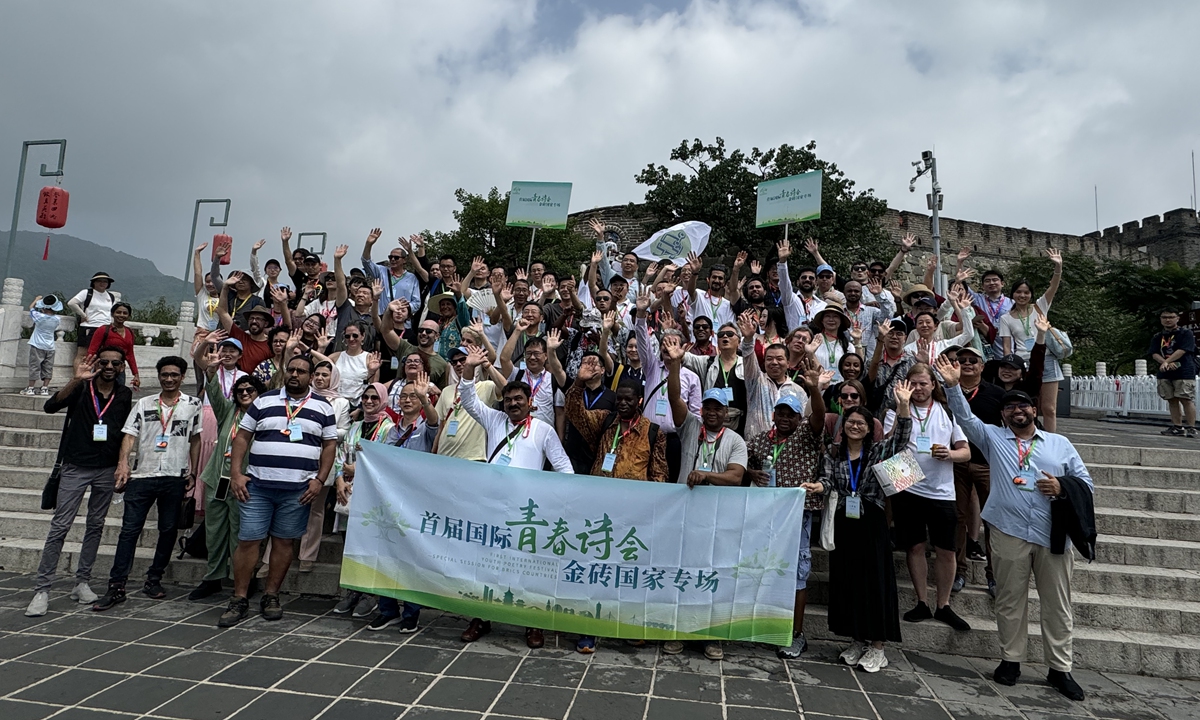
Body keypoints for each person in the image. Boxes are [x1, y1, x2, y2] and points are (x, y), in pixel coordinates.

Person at [936, 355, 1092, 701]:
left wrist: (1062, 487)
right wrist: (952, 386)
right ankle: (1011, 660)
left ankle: (1059, 667)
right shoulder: (993, 438)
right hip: (1009, 532)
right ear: (1003, 415)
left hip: (1053, 534)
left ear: (1033, 410)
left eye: (1022, 405)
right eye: (1009, 408)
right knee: (1009, 601)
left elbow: (1086, 483)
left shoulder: (1058, 444)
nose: (1016, 411)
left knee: (1057, 604)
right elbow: (964, 418)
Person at [456, 345, 572, 649]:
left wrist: (559, 500)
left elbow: (563, 467)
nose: (512, 404)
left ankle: (532, 623)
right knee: (486, 564)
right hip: (492, 508)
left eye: (519, 399)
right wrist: (469, 367)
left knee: (528, 568)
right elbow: (468, 400)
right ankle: (481, 617)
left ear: (530, 402)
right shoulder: (494, 420)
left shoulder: (543, 430)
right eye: (508, 400)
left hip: (527, 513)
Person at [221, 354, 339, 627]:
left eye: (301, 371)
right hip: (257, 486)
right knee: (249, 541)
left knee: (284, 542)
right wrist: (236, 474)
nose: (295, 374)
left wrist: (320, 480)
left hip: (297, 490)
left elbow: (330, 445)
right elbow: (242, 437)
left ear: (311, 377)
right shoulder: (264, 400)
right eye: (292, 370)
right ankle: (239, 598)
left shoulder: (323, 407)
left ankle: (271, 595)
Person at [806, 380, 915, 673]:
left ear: (869, 427)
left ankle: (878, 646)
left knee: (874, 583)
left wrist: (903, 405)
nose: (854, 427)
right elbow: (827, 478)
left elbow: (901, 439)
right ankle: (856, 640)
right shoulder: (834, 452)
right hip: (844, 520)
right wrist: (818, 485)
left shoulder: (878, 451)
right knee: (848, 581)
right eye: (850, 422)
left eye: (860, 423)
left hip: (872, 521)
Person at [25, 349, 134, 617]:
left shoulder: (124, 395)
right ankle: (43, 588)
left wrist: (123, 463)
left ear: (121, 367)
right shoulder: (82, 388)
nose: (109, 366)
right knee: (60, 525)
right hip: (76, 466)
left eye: (115, 363)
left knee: (96, 525)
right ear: (97, 363)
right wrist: (75, 379)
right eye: (104, 362)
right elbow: (50, 406)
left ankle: (82, 581)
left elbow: (125, 432)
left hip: (106, 468)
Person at [94, 356, 203, 611]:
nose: (169, 379)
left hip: (174, 476)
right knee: (129, 531)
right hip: (142, 476)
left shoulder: (192, 405)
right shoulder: (144, 403)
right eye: (164, 374)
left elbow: (196, 439)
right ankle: (116, 585)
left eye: (174, 375)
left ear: (182, 377)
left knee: (167, 530)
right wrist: (123, 463)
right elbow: (130, 435)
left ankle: (154, 578)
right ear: (159, 376)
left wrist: (193, 471)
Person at [664, 341, 746, 661]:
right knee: (683, 573)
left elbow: (736, 476)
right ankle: (679, 631)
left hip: (717, 519)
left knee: (714, 575)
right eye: (708, 407)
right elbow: (674, 398)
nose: (712, 412)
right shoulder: (691, 427)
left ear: (726, 413)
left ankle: (713, 637)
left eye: (718, 409)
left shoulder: (735, 441)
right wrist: (674, 365)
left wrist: (706, 475)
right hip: (685, 514)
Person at [743, 364, 826, 659]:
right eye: (781, 413)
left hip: (797, 516)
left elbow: (818, 416)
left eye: (791, 414)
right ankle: (768, 625)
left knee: (798, 574)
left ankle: (796, 634)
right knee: (765, 570)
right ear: (774, 414)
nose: (785, 418)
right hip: (766, 517)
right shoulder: (763, 439)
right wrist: (752, 471)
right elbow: (742, 459)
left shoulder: (807, 435)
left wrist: (815, 388)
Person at [883, 363, 973, 631]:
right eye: (914, 383)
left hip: (942, 489)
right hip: (906, 483)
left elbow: (966, 451)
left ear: (933, 384)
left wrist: (950, 454)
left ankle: (943, 604)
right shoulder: (894, 411)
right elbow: (890, 444)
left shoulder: (947, 412)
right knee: (914, 546)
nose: (919, 389)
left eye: (924, 383)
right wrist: (902, 405)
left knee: (946, 549)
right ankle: (922, 600)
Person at [188, 360, 266, 601]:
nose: (244, 394)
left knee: (240, 534)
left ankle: (240, 579)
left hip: (245, 484)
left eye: (249, 390)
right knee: (213, 532)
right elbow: (213, 391)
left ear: (259, 394)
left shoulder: (263, 419)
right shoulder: (227, 412)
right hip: (218, 480)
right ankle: (212, 577)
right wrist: (211, 370)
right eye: (240, 391)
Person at [950, 345, 1005, 598]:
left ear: (982, 366)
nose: (968, 363)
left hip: (987, 463)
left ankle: (994, 576)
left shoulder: (996, 393)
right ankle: (958, 571)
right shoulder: (947, 392)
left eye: (974, 360)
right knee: (958, 518)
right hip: (955, 463)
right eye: (962, 360)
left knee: (992, 520)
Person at [997, 250, 1062, 427]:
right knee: (1026, 405)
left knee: (1049, 408)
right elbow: (1007, 346)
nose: (1022, 295)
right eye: (1018, 292)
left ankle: (1050, 442)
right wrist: (1010, 367)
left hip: (1046, 359)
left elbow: (1053, 287)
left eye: (1026, 292)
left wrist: (1058, 266)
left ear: (1031, 295)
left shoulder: (1040, 307)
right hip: (1023, 364)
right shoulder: (1006, 318)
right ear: (1013, 294)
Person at [736, 309, 802, 440]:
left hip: (787, 449)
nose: (774, 362)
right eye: (769, 359)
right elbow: (749, 357)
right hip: (755, 446)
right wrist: (748, 339)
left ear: (788, 363)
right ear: (764, 362)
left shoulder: (798, 391)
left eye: (779, 359)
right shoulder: (755, 380)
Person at [214, 273, 275, 373]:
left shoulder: (271, 345)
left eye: (258, 319)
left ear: (266, 323)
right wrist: (225, 287)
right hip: (238, 384)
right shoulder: (239, 336)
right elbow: (222, 311)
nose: (254, 321)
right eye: (251, 318)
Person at [1151, 308, 1197, 438]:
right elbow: (1154, 352)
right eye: (1165, 317)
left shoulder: (1185, 333)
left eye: (1171, 317)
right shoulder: (1158, 336)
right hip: (1165, 372)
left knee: (1186, 398)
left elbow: (1183, 350)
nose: (1168, 319)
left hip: (1184, 371)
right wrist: (1164, 362)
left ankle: (1191, 427)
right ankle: (1177, 426)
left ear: (1177, 318)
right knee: (1171, 399)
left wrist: (1168, 361)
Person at [361, 227, 423, 322]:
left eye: (396, 257)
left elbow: (417, 303)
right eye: (390, 257)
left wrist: (401, 309)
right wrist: (369, 244)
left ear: (404, 260)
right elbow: (366, 262)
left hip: (402, 323)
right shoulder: (381, 271)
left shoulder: (412, 278)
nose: (393, 259)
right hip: (383, 321)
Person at [68, 271, 121, 362]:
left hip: (105, 328)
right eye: (99, 281)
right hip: (89, 327)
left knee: (102, 354)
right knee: (83, 354)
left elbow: (112, 312)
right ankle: (79, 375)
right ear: (94, 282)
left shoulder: (110, 296)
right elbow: (72, 303)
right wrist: (83, 315)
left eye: (105, 281)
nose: (102, 283)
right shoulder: (87, 293)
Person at [87, 301, 141, 389]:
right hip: (104, 367)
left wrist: (135, 374)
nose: (121, 315)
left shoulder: (129, 332)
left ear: (129, 316)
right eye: (118, 312)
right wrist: (88, 368)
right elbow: (92, 351)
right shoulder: (103, 330)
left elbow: (130, 354)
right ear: (112, 314)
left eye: (125, 313)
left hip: (119, 368)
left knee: (119, 392)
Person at [24, 295, 61, 396]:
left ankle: (31, 388)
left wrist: (36, 300)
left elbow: (31, 308)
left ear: (43, 307)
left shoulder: (39, 316)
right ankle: (45, 388)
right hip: (50, 346)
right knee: (48, 367)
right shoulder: (57, 319)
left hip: (37, 345)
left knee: (34, 366)